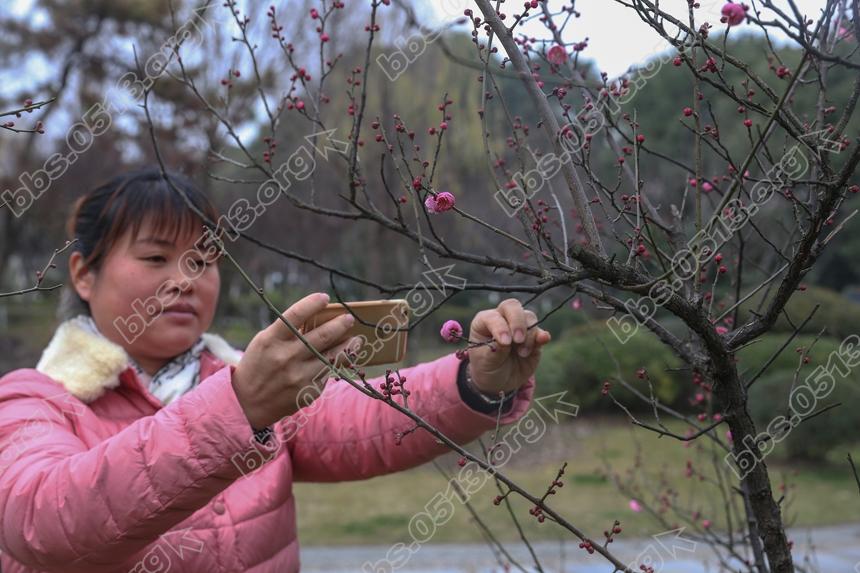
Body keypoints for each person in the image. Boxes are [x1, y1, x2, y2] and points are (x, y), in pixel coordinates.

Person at [0, 166, 551, 572]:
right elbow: (44, 523)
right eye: (154, 258)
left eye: (205, 260)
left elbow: (361, 418)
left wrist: (474, 381)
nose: (186, 279)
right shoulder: (35, 401)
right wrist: (238, 407)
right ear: (83, 274)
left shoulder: (247, 382)